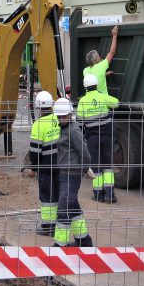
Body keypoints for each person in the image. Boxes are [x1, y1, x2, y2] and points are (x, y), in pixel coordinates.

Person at [52, 98, 93, 248]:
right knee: (73, 207)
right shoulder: (64, 128)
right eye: (59, 116)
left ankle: (59, 245)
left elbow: (84, 152)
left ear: (70, 114)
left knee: (64, 209)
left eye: (64, 116)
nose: (61, 119)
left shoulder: (73, 130)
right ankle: (84, 240)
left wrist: (84, 169)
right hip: (65, 173)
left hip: (72, 175)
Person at [76, 73, 120, 203]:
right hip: (107, 136)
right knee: (107, 165)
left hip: (92, 138)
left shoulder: (82, 101)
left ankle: (98, 195)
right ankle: (110, 195)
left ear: (85, 87)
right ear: (96, 85)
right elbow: (116, 103)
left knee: (95, 165)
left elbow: (79, 123)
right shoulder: (102, 97)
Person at [27, 91, 61, 236]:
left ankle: (48, 226)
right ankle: (59, 223)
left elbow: (35, 150)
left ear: (38, 107)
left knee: (47, 197)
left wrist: (33, 168)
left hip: (46, 167)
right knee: (58, 194)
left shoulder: (38, 125)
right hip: (60, 165)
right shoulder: (58, 118)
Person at [83, 25, 118, 95]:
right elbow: (112, 52)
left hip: (90, 101)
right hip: (103, 102)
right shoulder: (101, 66)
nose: (100, 57)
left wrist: (104, 74)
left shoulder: (85, 71)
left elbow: (95, 76)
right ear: (96, 59)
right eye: (98, 56)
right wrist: (114, 36)